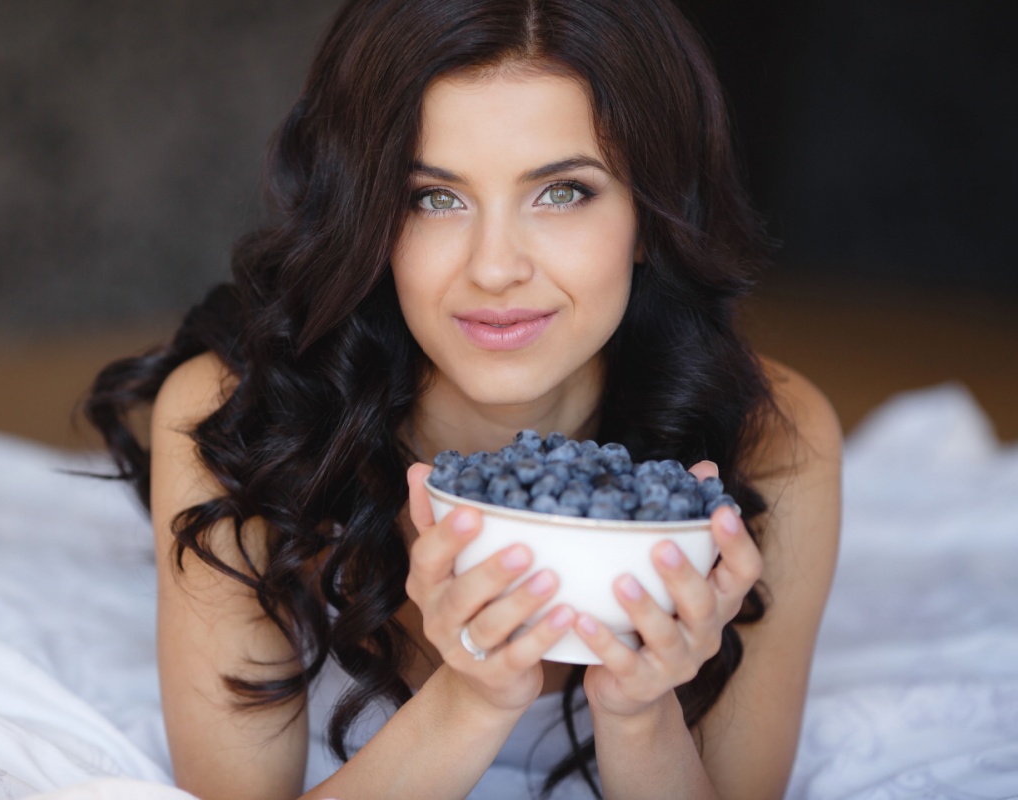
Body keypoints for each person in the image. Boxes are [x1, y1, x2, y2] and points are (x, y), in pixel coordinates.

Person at [85, 0, 841, 797]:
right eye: (434, 199)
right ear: (370, 217)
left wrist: (641, 716)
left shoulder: (771, 443)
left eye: (563, 192)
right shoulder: (236, 422)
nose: (494, 268)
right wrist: (471, 697)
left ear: (652, 214)